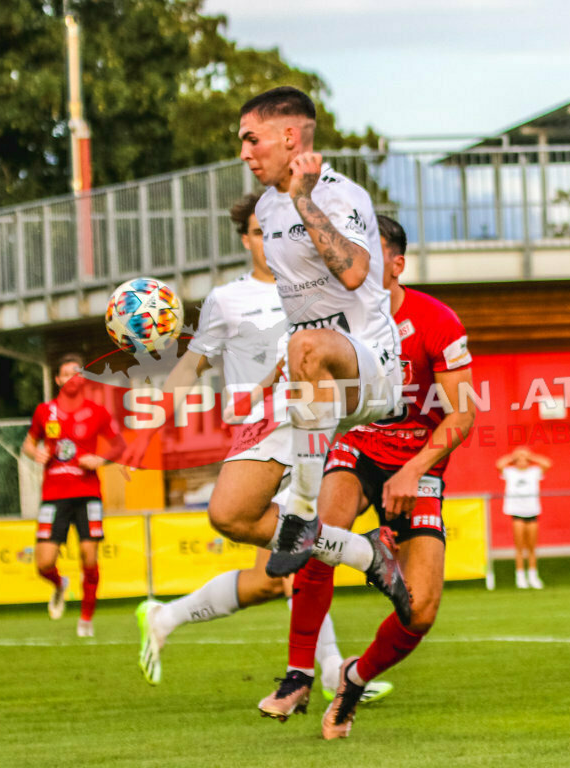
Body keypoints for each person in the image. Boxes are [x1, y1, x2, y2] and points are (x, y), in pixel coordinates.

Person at [134, 195, 394, 705]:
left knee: (274, 574)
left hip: (316, 429)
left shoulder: (318, 289)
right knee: (280, 568)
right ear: (247, 239)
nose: (270, 239)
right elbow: (192, 366)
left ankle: (166, 617)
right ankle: (327, 669)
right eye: (258, 232)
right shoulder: (226, 300)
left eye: (279, 229)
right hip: (259, 437)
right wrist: (151, 418)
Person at [259, 215, 475, 739]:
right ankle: (298, 675)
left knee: (420, 612)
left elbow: (463, 415)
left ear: (397, 265)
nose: (351, 267)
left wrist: (414, 470)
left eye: (369, 257)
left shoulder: (438, 321)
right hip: (357, 446)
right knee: (318, 525)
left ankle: (354, 680)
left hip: (417, 466)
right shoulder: (336, 318)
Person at [238, 86, 403, 578]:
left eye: (252, 139)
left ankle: (304, 513)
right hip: (312, 375)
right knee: (230, 510)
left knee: (306, 344)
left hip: (370, 368)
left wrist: (304, 198)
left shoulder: (340, 194)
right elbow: (301, 308)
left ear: (289, 136)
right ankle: (369, 556)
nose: (244, 153)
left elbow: (353, 273)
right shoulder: (266, 208)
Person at [22, 354, 125, 638]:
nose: (71, 378)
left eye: (76, 373)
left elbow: (119, 446)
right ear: (58, 380)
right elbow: (28, 444)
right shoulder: (45, 411)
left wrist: (100, 459)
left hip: (87, 493)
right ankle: (59, 584)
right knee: (43, 562)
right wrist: (36, 452)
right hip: (53, 495)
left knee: (88, 556)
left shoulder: (97, 412)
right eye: (66, 374)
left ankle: (86, 619)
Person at [496, 447, 552, 589]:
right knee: (519, 546)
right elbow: (499, 464)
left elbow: (547, 463)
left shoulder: (534, 472)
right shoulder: (510, 472)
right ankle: (520, 577)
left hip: (532, 512)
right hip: (517, 513)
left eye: (524, 459)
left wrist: (530, 455)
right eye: (519, 460)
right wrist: (514, 456)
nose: (522, 461)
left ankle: (533, 576)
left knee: (532, 547)